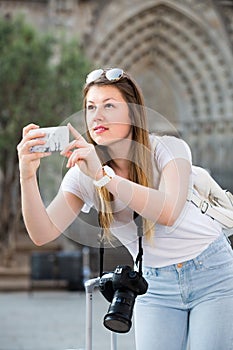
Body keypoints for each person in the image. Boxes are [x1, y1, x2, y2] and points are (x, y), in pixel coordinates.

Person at [17, 68, 233, 350]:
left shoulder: (168, 149)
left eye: (109, 105)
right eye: (91, 107)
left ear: (132, 113)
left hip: (212, 272)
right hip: (154, 284)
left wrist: (104, 177)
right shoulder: (83, 173)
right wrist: (27, 175)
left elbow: (169, 212)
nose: (97, 116)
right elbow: (41, 233)